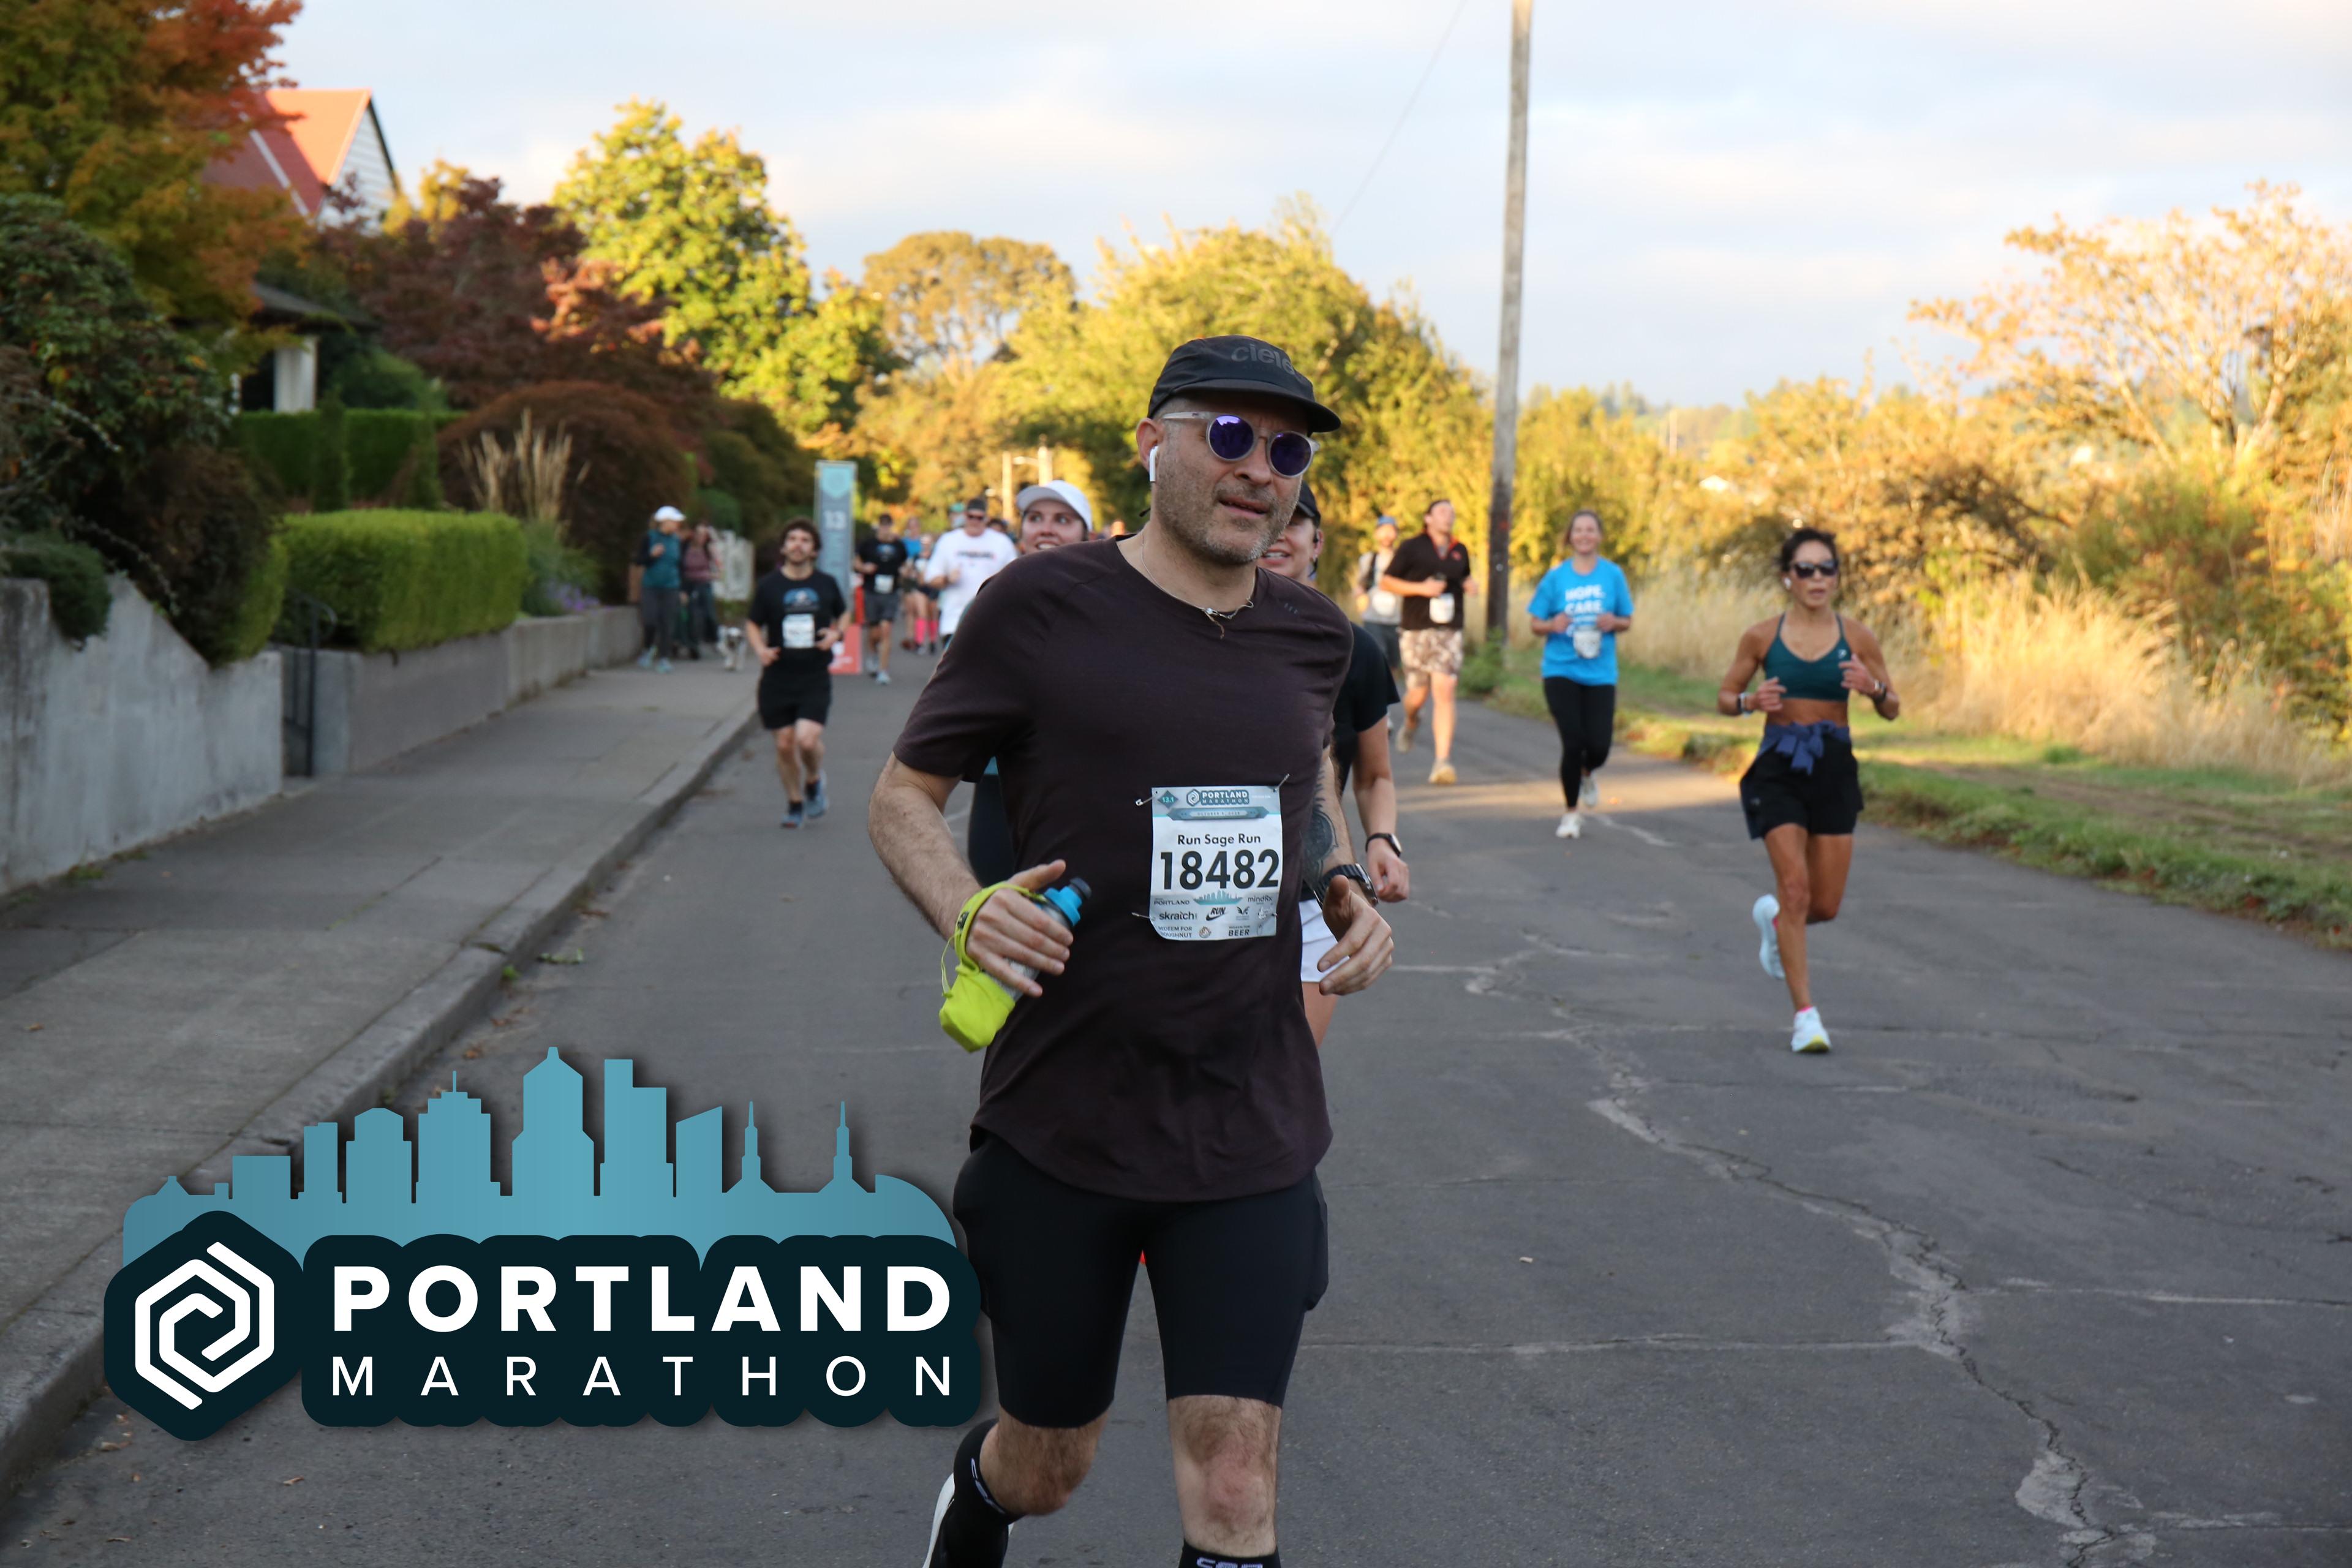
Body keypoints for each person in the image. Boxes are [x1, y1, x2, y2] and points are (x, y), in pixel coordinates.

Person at [872, 334, 1395, 1568]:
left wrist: (1340, 880)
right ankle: (982, 1499)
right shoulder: (1040, 607)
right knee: (1050, 1459)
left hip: (1250, 1114)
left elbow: (1301, 790)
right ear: (1154, 442)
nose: (1260, 469)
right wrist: (967, 909)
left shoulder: (1314, 637)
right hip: (1067, 1116)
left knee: (1235, 1477)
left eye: (1287, 450)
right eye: (1231, 435)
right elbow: (903, 796)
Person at [1715, 526, 1899, 1054]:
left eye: (1827, 568)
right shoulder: (1761, 637)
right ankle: (1806, 1018)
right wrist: (1750, 703)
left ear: (1837, 577)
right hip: (1778, 766)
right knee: (1795, 888)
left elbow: (1892, 707)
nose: (1817, 578)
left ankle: (1777, 923)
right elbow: (1726, 696)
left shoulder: (1858, 636)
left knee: (1824, 905)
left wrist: (1873, 689)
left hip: (1834, 767)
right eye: (1806, 569)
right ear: (1787, 578)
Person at [1262, 479, 1411, 1044]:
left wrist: (1382, 840)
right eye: (1270, 520)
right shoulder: (1197, 635)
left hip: (1313, 895)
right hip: (1206, 900)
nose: (1280, 534)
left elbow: (1374, 776)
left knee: (1286, 1070)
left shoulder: (1354, 650)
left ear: (1317, 542)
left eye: (1294, 523)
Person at [964, 481, 1099, 886]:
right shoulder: (990, 601)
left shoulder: (1112, 609)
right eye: (1035, 518)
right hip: (1001, 784)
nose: (1046, 529)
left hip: (1087, 789)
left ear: (1087, 535)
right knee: (998, 898)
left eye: (1063, 520)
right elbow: (953, 695)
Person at [1526, 508, 1635, 840]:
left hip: (1600, 673)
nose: (1585, 536)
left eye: (1590, 530)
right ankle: (1571, 814)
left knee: (1599, 746)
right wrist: (1553, 625)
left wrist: (1613, 622)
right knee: (1573, 741)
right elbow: (1535, 623)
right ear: (1570, 537)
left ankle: (1587, 771)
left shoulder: (1613, 575)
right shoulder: (1556, 577)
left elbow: (1627, 620)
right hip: (1561, 669)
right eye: (1579, 530)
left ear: (1599, 536)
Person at [745, 518, 848, 830]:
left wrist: (836, 634)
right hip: (778, 677)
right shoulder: (769, 586)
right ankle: (794, 803)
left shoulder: (826, 584)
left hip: (814, 675)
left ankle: (814, 779)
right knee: (784, 744)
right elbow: (752, 623)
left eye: (805, 540)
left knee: (806, 740)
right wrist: (760, 649)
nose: (798, 545)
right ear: (784, 547)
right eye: (792, 539)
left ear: (814, 550)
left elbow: (844, 613)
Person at [1381, 498, 1472, 785]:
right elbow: (1386, 582)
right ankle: (1411, 720)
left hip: (1449, 630)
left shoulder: (1460, 549)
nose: (1448, 516)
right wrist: (1421, 589)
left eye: (1452, 512)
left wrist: (1470, 584)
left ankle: (1442, 761)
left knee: (1445, 688)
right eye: (1442, 511)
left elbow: (1464, 578)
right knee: (1418, 695)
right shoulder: (1412, 547)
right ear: (1428, 518)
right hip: (1416, 629)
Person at [924, 496, 1020, 650]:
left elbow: (1017, 580)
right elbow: (931, 578)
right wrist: (947, 579)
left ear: (986, 518)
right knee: (955, 665)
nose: (975, 521)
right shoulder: (949, 541)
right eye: (971, 517)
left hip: (991, 622)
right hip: (955, 621)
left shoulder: (1002, 542)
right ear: (965, 516)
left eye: (979, 518)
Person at [856, 511, 913, 685]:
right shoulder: (869, 544)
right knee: (874, 632)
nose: (885, 529)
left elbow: (906, 564)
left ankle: (883, 671)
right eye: (883, 525)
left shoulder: (899, 546)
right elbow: (856, 562)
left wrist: (905, 571)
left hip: (892, 591)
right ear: (879, 526)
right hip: (872, 591)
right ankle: (873, 655)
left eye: (888, 525)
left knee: (886, 629)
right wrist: (864, 568)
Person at [635, 505, 685, 671]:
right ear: (665, 522)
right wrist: (651, 555)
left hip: (671, 587)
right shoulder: (649, 537)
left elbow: (681, 566)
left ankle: (664, 658)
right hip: (651, 586)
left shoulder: (677, 541)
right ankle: (648, 648)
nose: (677, 524)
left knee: (667, 623)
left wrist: (683, 589)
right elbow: (638, 560)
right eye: (674, 521)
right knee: (650, 620)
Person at [1355, 514, 1403, 677]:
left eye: (1391, 530)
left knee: (1394, 663)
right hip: (1373, 619)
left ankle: (1389, 689)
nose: (1387, 535)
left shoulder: (1402, 559)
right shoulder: (1368, 559)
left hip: (1397, 619)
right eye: (1383, 530)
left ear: (1396, 534)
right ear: (1376, 534)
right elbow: (1361, 585)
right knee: (1378, 658)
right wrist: (1359, 596)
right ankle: (1378, 689)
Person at [681, 521, 719, 660]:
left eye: (704, 535)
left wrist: (714, 574)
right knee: (692, 615)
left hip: (704, 583)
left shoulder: (708, 550)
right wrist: (682, 590)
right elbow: (680, 567)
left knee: (710, 614)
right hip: (689, 584)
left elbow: (719, 567)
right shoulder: (685, 548)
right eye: (699, 534)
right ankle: (693, 646)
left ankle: (715, 640)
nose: (701, 537)